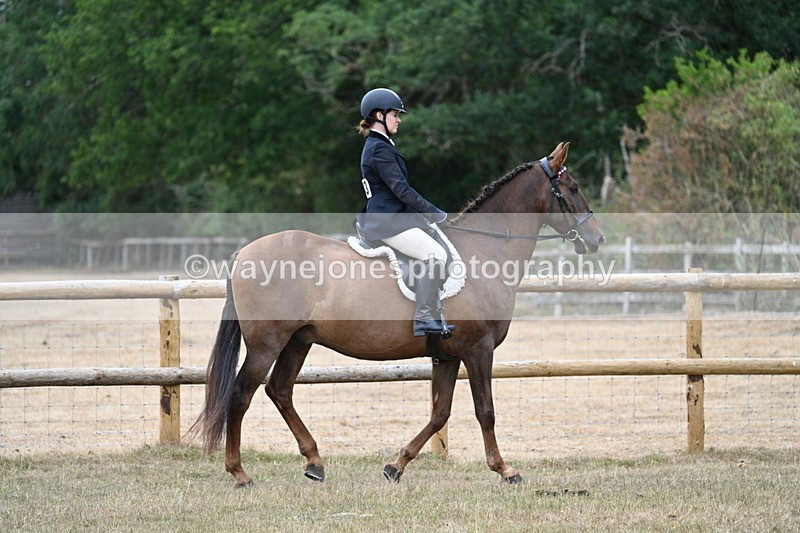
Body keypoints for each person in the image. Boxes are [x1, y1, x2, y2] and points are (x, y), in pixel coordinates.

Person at [356, 88, 455, 338]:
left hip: (392, 218)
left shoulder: (381, 144)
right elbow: (401, 190)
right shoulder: (379, 148)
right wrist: (434, 213)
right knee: (436, 254)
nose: (399, 119)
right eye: (395, 114)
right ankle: (422, 317)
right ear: (379, 115)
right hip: (387, 223)